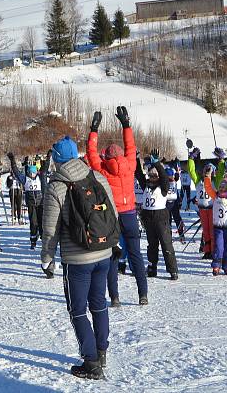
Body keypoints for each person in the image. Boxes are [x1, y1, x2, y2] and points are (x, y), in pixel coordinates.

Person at [42, 135, 118, 380]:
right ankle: (102, 351)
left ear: (58, 159)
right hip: (103, 253)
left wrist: (47, 258)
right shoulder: (97, 176)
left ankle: (91, 362)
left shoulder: (56, 186)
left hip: (77, 259)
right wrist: (114, 244)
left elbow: (50, 229)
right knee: (99, 302)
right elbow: (113, 213)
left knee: (77, 310)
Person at [87, 107, 148, 306]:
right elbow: (131, 147)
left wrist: (94, 129)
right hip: (130, 214)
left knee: (112, 256)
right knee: (136, 255)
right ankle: (142, 294)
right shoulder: (130, 165)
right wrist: (126, 124)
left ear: (107, 157)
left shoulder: (103, 170)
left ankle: (114, 297)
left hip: (111, 217)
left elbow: (91, 155)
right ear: (121, 155)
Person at [136, 155, 179, 280]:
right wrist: (136, 160)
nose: (152, 178)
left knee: (166, 244)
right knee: (152, 245)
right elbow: (138, 174)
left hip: (161, 217)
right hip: (148, 217)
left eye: (154, 176)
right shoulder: (146, 186)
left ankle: (172, 270)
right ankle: (152, 267)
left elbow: (165, 177)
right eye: (150, 175)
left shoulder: (163, 187)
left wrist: (157, 164)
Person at [8, 151, 50, 249]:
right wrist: (12, 161)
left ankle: (44, 241)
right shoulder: (25, 179)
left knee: (42, 223)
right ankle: (33, 241)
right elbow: (17, 173)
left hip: (40, 204)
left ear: (36, 172)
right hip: (31, 204)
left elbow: (45, 168)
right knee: (33, 223)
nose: (32, 174)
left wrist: (48, 157)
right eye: (30, 173)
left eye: (34, 172)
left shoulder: (40, 178)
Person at [187, 159, 216, 260]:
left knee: (212, 232)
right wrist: (191, 159)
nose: (206, 172)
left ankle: (213, 251)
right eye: (205, 170)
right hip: (202, 209)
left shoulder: (215, 182)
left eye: (209, 170)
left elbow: (221, 173)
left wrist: (221, 161)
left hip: (212, 209)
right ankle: (207, 251)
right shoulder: (198, 181)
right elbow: (191, 171)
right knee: (206, 232)